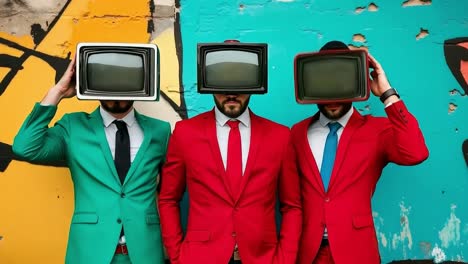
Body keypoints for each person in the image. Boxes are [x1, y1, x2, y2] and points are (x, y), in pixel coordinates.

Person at [12, 57, 170, 264]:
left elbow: (171, 190)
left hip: (145, 254)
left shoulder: (160, 130)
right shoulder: (73, 127)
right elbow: (25, 147)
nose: (115, 90)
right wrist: (58, 91)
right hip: (90, 253)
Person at [291, 41, 429, 264]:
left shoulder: (377, 130)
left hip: (356, 251)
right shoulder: (297, 133)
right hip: (308, 252)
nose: (333, 100)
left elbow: (416, 153)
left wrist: (386, 93)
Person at [158, 92, 302, 263]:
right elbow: (168, 199)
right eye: (222, 87)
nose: (231, 94)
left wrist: (285, 258)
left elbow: (292, 206)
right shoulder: (185, 132)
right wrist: (177, 256)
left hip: (262, 257)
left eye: (239, 87)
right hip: (200, 257)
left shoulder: (280, 136)